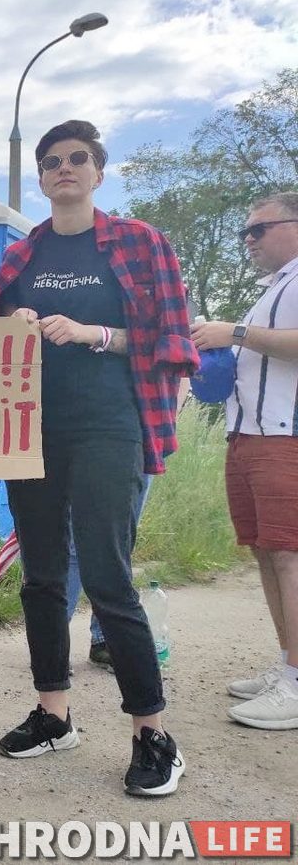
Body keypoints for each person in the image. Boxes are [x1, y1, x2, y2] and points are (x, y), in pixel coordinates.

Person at [0, 120, 198, 796]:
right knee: (42, 578)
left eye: (77, 159)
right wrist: (7, 323)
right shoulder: (27, 254)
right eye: (52, 162)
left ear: (99, 172)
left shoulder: (139, 242)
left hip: (111, 425)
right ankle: (55, 715)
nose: (63, 169)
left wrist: (92, 333)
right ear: (43, 178)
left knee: (107, 576)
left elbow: (171, 338)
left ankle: (152, 732)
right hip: (32, 431)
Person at [191, 191, 298, 731]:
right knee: (265, 552)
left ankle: (297, 683)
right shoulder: (275, 288)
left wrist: (232, 331)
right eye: (245, 232)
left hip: (287, 436)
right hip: (250, 434)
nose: (248, 241)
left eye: (259, 230)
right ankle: (288, 666)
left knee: (288, 555)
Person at [65, 474, 152, 670]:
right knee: (74, 546)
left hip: (142, 450)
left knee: (119, 548)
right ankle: (55, 643)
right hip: (92, 448)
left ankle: (103, 641)